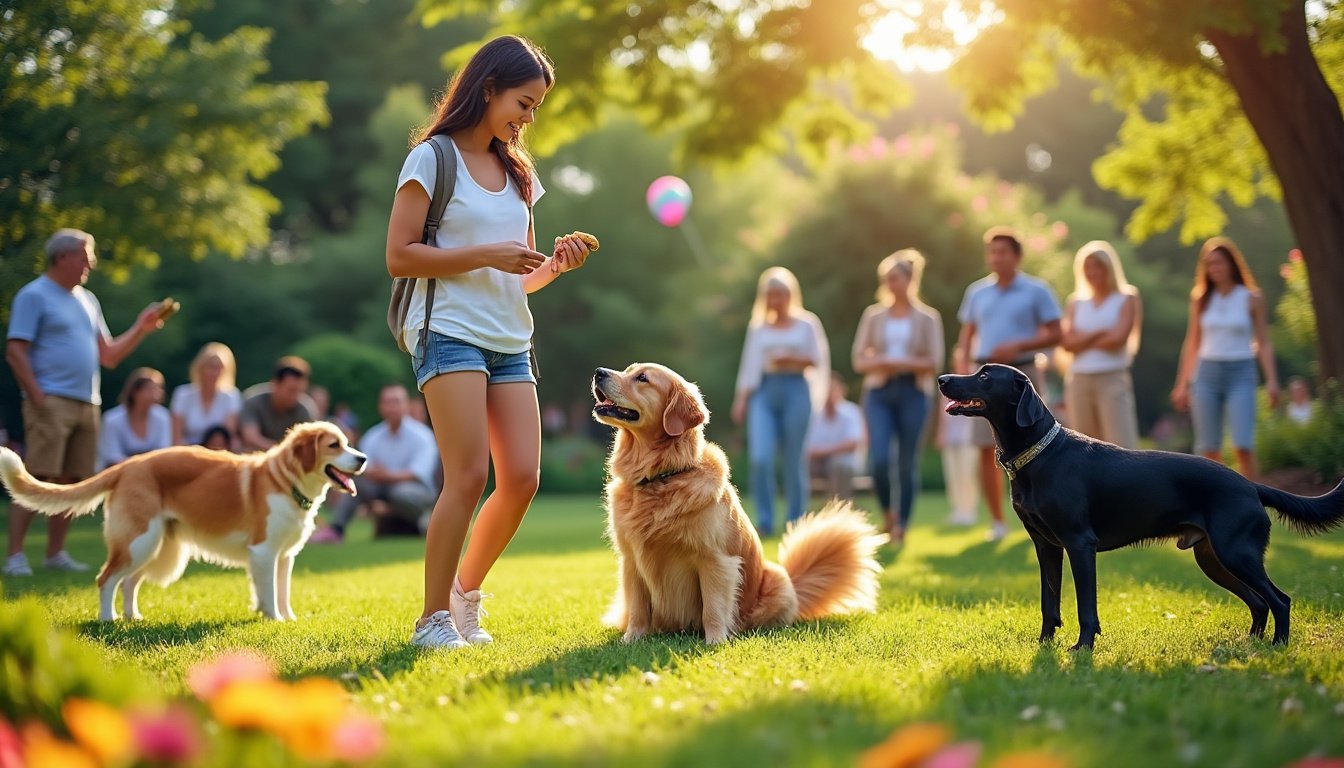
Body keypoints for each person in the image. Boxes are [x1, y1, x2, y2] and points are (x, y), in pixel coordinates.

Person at [385, 35, 590, 649]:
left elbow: (519, 277)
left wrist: (556, 265)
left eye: (535, 110)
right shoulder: (432, 158)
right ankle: (431, 622)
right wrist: (485, 255)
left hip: (509, 337)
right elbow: (399, 257)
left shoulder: (520, 176)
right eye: (523, 104)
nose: (528, 119)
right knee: (468, 474)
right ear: (489, 87)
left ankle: (463, 596)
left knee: (522, 477)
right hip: (448, 331)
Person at [3, 228, 165, 576]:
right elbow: (16, 351)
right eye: (84, 256)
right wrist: (37, 396)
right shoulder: (34, 295)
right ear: (62, 257)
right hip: (50, 400)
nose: (90, 263)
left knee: (74, 480)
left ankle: (54, 554)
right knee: (39, 474)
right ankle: (15, 555)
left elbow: (108, 356)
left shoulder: (88, 300)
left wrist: (141, 327)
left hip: (86, 402)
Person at [955, 226, 1062, 541]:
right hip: (982, 378)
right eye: (992, 252)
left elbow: (1057, 332)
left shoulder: (1036, 290)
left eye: (1003, 252)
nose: (997, 257)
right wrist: (963, 372)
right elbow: (966, 338)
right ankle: (998, 522)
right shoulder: (976, 292)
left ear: (1017, 256)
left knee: (1038, 444)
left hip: (1022, 375)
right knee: (986, 448)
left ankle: (1043, 515)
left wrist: (1019, 345)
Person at [851, 250, 945, 544]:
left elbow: (934, 362)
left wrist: (901, 362)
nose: (891, 284)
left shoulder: (928, 318)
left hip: (913, 392)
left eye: (896, 278)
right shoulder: (873, 315)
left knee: (907, 462)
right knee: (878, 459)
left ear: (910, 280)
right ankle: (888, 513)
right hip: (879, 390)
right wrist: (883, 362)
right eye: (887, 279)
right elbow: (859, 359)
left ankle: (902, 524)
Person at [731, 266, 831, 536]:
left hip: (796, 389)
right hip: (764, 392)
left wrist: (791, 360)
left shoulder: (807, 323)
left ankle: (795, 520)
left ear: (790, 295)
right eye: (771, 295)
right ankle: (764, 519)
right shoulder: (759, 327)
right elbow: (749, 365)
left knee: (794, 459)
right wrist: (741, 399)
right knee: (760, 458)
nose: (776, 300)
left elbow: (817, 359)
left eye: (781, 294)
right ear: (765, 297)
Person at [1171, 236, 1280, 480]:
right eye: (1209, 264)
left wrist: (1272, 380)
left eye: (1219, 263)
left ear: (1232, 264)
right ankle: (1211, 506)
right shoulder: (1201, 299)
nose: (1215, 269)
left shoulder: (1251, 297)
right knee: (1208, 448)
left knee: (1243, 445)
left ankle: (1253, 505)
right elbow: (1192, 343)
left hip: (1240, 372)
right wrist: (1182, 384)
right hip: (1207, 375)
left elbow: (1263, 342)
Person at [311, 384, 439, 543]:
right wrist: (372, 473)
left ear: (406, 405)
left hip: (415, 492)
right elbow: (363, 468)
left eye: (396, 402)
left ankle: (423, 520)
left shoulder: (423, 436)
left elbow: (417, 474)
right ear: (380, 406)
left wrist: (386, 475)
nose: (392, 407)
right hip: (380, 487)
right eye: (387, 402)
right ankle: (336, 529)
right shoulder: (373, 436)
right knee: (356, 484)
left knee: (401, 493)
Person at [1060, 241, 1142, 448]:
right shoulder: (1075, 302)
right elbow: (1068, 343)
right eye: (1088, 267)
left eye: (1098, 266)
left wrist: (1083, 339)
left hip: (1111, 378)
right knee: (1083, 445)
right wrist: (1100, 332)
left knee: (1121, 443)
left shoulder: (1127, 297)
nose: (1092, 272)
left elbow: (1118, 339)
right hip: (1079, 379)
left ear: (1109, 268)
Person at [806, 371, 866, 501]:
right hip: (818, 464)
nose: (828, 393)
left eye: (832, 389)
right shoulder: (814, 415)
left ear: (842, 390)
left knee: (839, 466)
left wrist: (825, 451)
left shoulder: (851, 412)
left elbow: (852, 444)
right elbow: (808, 448)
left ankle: (839, 507)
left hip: (844, 463)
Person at [169, 342, 242, 447]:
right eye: (211, 367)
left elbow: (228, 435)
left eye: (219, 368)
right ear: (200, 368)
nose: (215, 373)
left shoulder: (231, 395)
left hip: (218, 453)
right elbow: (176, 438)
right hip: (187, 453)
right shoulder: (182, 394)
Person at [98, 368, 171, 470]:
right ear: (134, 392)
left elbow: (163, 452)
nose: (157, 393)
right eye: (150, 389)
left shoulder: (163, 417)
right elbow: (112, 456)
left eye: (159, 388)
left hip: (152, 472)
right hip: (118, 473)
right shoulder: (111, 419)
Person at [938, 347, 979, 526]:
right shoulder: (948, 386)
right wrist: (941, 434)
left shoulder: (975, 385)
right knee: (952, 474)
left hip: (968, 438)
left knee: (967, 473)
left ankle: (968, 510)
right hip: (950, 438)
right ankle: (957, 509)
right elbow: (943, 414)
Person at [238, 356, 314, 452]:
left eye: (301, 391)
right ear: (275, 384)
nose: (296, 396)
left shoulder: (305, 409)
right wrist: (282, 452)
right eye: (292, 390)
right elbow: (250, 438)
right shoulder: (253, 401)